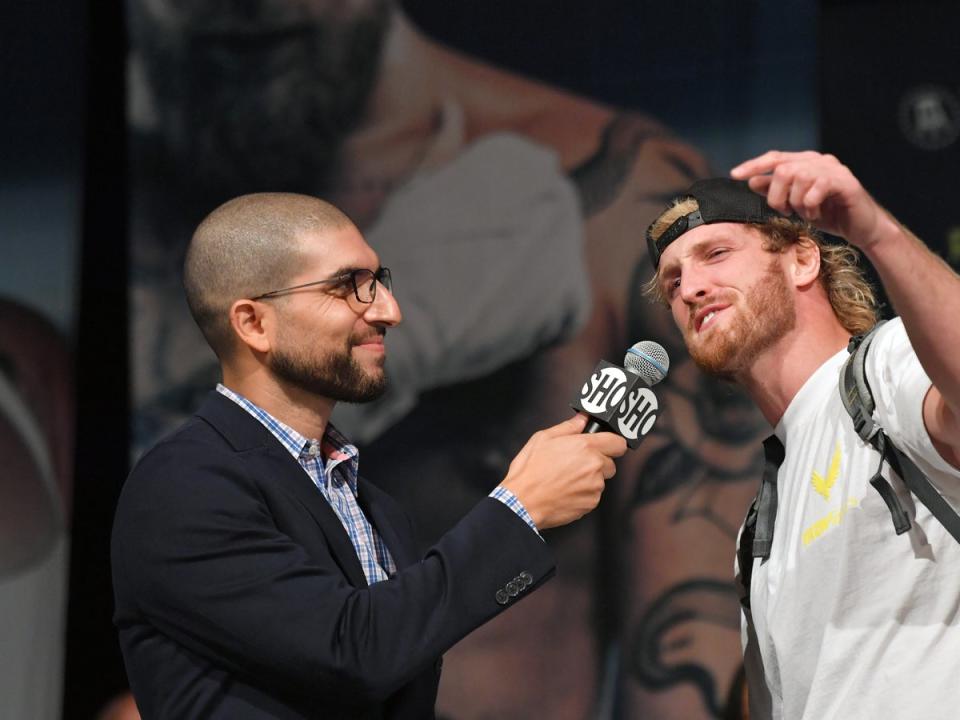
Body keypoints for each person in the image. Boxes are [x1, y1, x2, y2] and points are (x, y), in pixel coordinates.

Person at [111, 192, 627, 719]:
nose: (389, 310)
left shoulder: (374, 506)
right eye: (349, 286)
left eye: (381, 281)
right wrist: (521, 507)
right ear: (253, 324)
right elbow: (350, 652)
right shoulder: (184, 484)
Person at [643, 150, 960, 719]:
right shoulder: (757, 524)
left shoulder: (882, 371)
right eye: (672, 281)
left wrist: (878, 233)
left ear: (802, 260)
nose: (690, 287)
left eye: (715, 254)